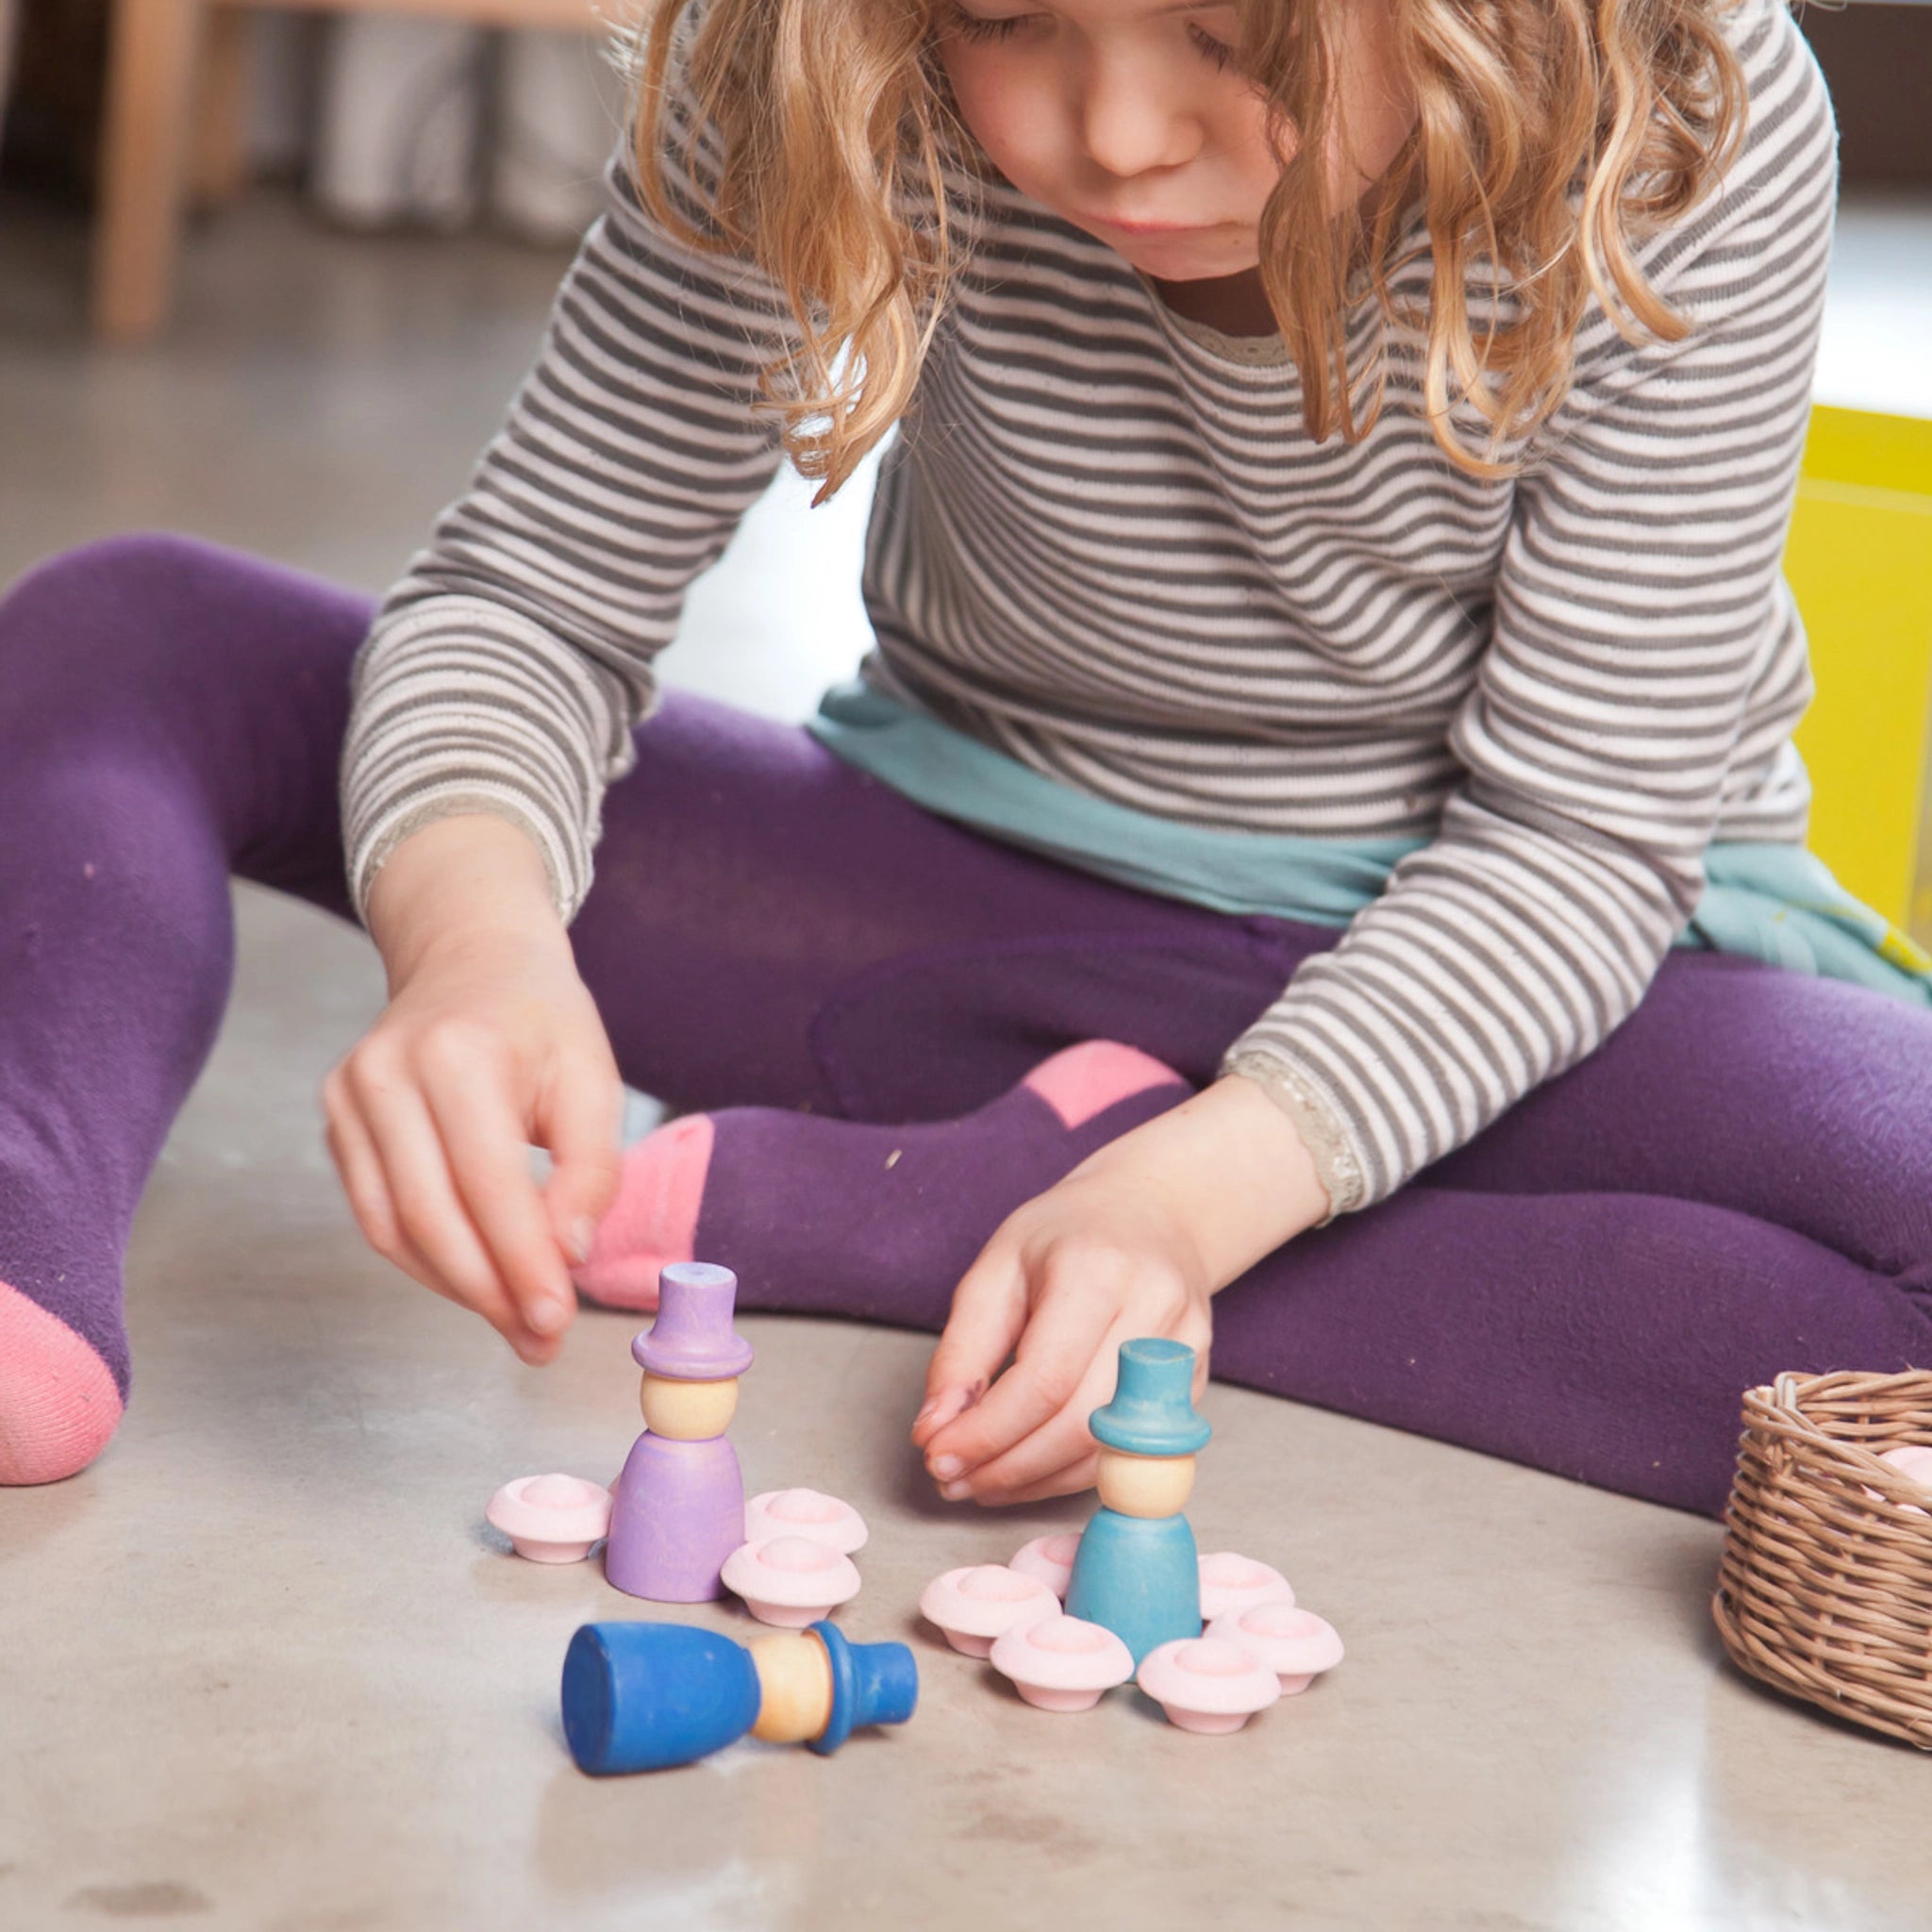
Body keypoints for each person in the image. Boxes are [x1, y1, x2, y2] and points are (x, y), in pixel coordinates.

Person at [2, 0, 1926, 1512]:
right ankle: (21, 1240)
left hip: (1530, 961)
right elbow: (536, 589)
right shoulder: (813, 43)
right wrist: (479, 943)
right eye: (1007, 20)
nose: (1112, 133)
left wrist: (1191, 1197)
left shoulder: (1683, 103)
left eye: (1237, 41)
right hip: (962, 899)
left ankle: (959, 1211)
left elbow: (1575, 849)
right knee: (135, 630)